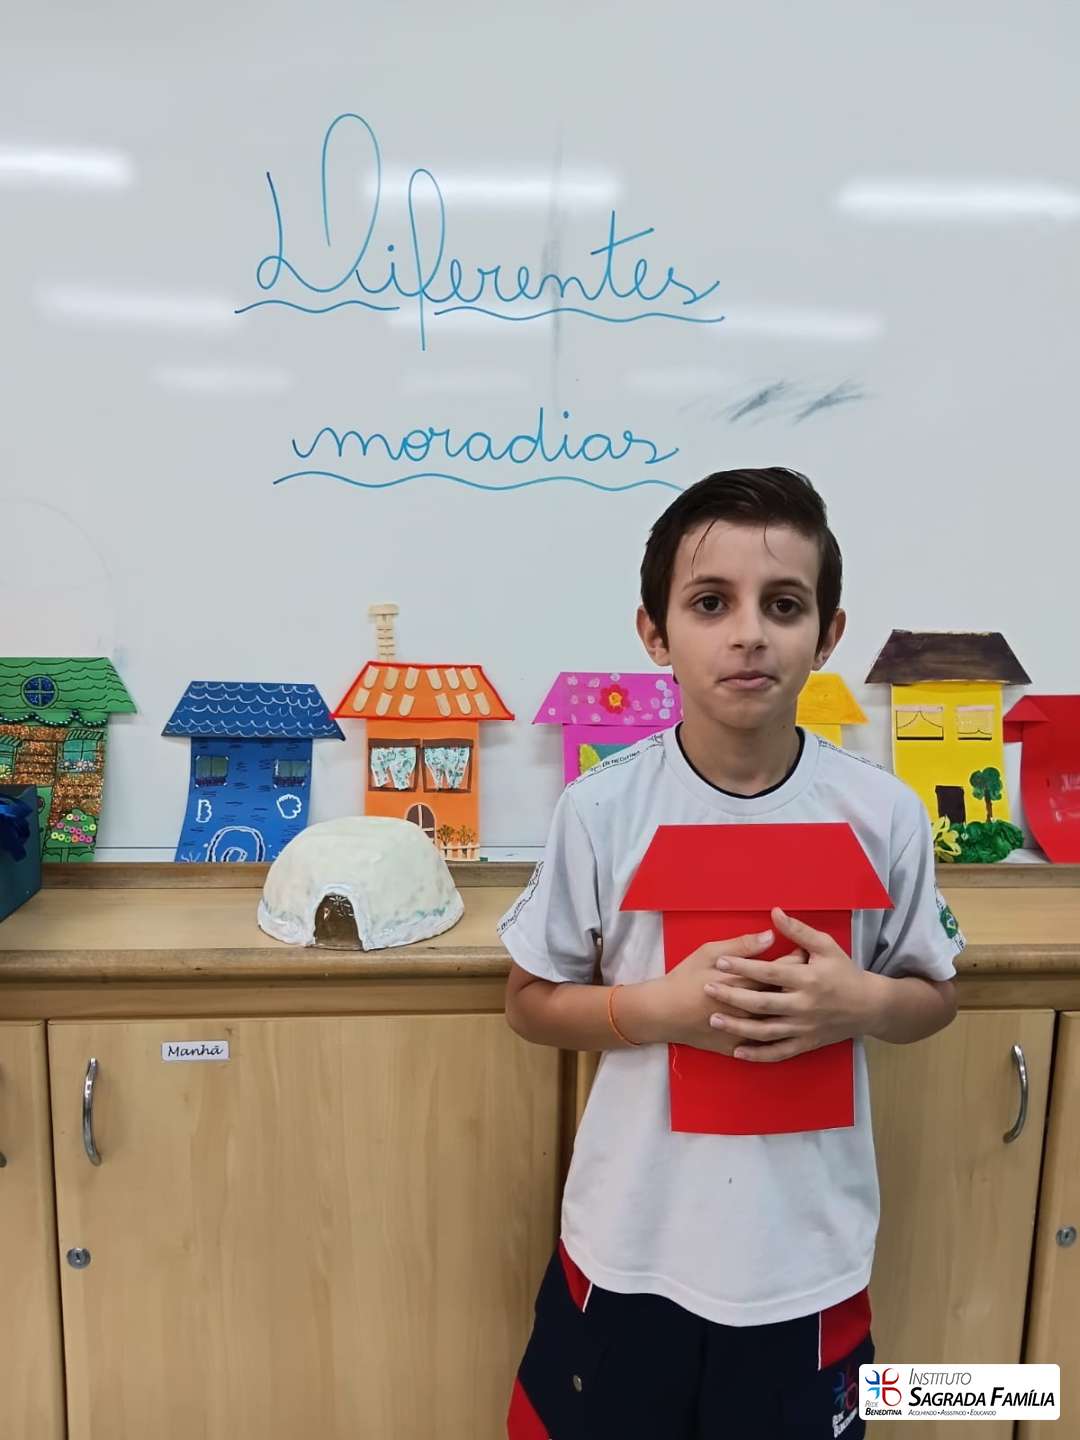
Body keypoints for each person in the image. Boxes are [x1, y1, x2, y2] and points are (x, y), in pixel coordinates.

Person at [500, 468, 964, 1438]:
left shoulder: (884, 813)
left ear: (828, 636)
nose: (749, 632)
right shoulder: (600, 808)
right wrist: (653, 1010)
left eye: (784, 605)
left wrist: (864, 1003)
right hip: (628, 1253)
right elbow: (529, 1000)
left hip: (807, 1268)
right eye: (711, 603)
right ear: (655, 634)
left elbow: (934, 993)